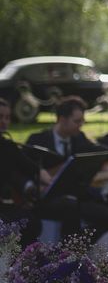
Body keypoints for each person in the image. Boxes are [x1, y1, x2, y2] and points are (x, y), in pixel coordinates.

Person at [27, 96, 108, 260]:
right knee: (70, 210)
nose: (81, 124)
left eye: (82, 120)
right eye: (77, 121)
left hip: (75, 196)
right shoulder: (38, 140)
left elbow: (104, 150)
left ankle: (70, 252)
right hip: (47, 199)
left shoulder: (79, 138)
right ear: (62, 120)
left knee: (107, 217)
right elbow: (26, 169)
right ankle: (66, 259)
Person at [0, 98, 47, 246]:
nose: (4, 121)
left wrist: (50, 181)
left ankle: (22, 266)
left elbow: (32, 168)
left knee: (31, 222)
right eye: (0, 117)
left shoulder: (8, 146)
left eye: (7, 117)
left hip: (4, 205)